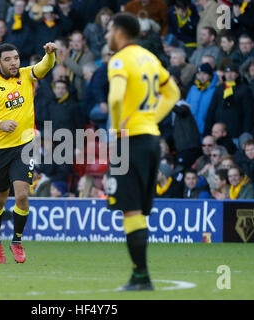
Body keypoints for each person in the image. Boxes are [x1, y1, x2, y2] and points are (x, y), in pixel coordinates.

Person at [105, 13, 180, 291]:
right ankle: (140, 275)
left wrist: (116, 127)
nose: (106, 36)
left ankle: (141, 277)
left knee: (131, 211)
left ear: (119, 32)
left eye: (109, 31)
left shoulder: (119, 60)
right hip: (151, 139)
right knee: (138, 212)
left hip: (131, 141)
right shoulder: (149, 58)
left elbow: (115, 97)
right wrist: (150, 118)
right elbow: (172, 92)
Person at [0, 42, 57, 264]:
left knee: (22, 195)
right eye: (8, 59)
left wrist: (50, 54)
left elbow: (44, 67)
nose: (13, 63)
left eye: (16, 58)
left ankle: (16, 241)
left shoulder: (27, 75)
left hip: (24, 145)